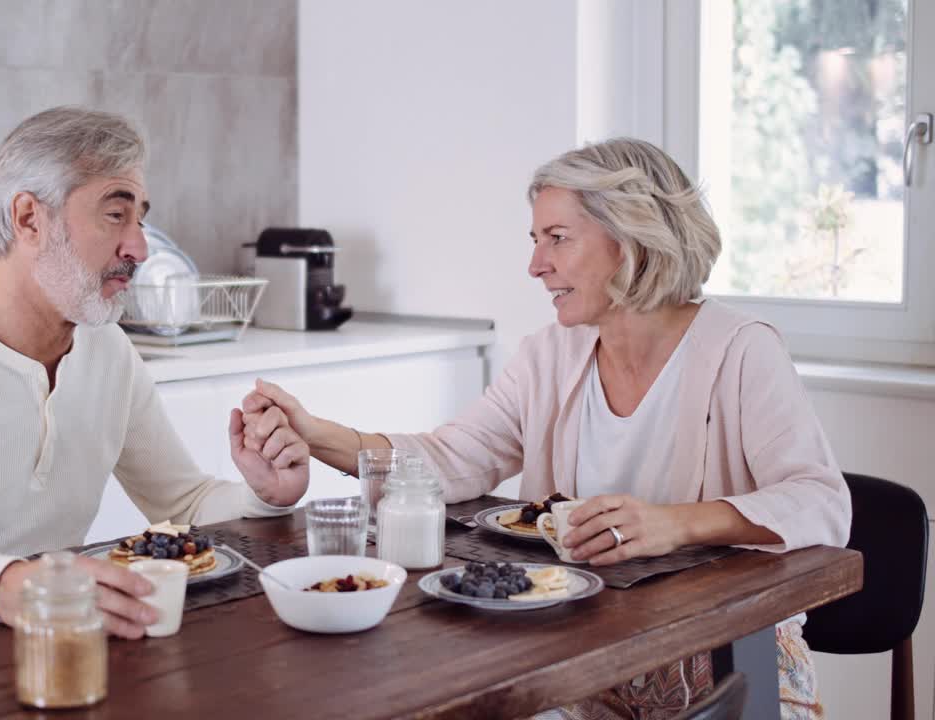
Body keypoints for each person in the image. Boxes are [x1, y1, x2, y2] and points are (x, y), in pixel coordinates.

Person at [240, 138, 849, 719]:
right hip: (588, 654)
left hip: (728, 658)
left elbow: (820, 501)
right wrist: (313, 432)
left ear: (632, 239)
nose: (536, 265)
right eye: (535, 240)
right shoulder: (548, 357)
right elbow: (451, 459)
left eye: (557, 239)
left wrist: (671, 523)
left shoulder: (741, 351)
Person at [0, 106, 310, 639]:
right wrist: (8, 583)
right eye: (115, 214)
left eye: (140, 218)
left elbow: (183, 503)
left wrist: (262, 494)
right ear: (30, 218)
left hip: (47, 645)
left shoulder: (108, 351)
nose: (140, 247)